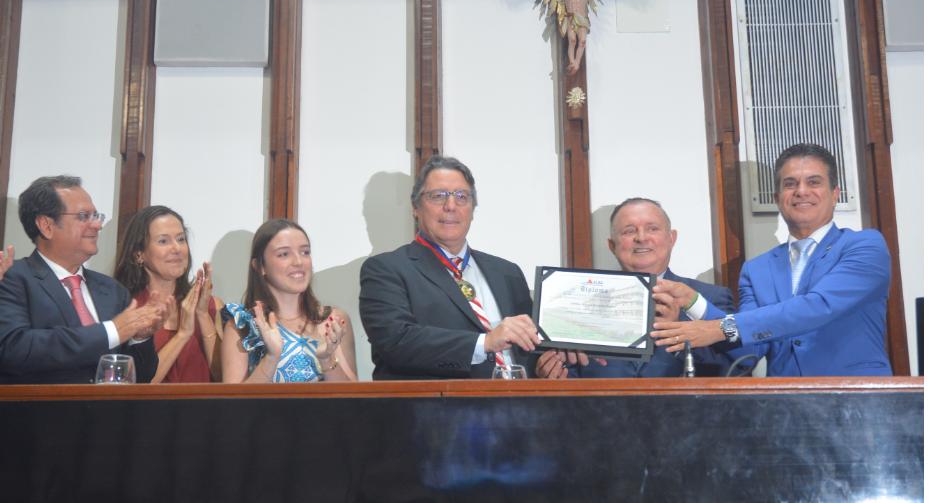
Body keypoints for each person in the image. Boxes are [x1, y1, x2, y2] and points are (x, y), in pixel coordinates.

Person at [651, 143, 893, 376]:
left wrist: (719, 327)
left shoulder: (865, 246)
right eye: (790, 184)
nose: (801, 191)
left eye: (814, 182)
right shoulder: (757, 269)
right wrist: (696, 304)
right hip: (783, 400)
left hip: (857, 394)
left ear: (835, 194)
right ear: (778, 197)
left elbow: (818, 306)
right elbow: (749, 351)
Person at [359, 155, 541, 380]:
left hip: (522, 399)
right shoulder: (385, 270)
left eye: (462, 197)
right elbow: (396, 341)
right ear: (415, 208)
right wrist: (485, 342)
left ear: (472, 209)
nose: (451, 206)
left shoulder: (507, 272)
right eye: (438, 196)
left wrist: (546, 363)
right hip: (438, 401)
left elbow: (529, 347)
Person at [535, 198, 735, 379]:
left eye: (652, 229)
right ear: (612, 246)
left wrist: (677, 334)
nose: (641, 238)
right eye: (629, 231)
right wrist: (555, 373)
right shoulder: (579, 300)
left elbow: (732, 369)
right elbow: (570, 375)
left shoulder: (710, 298)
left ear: (671, 238)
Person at [0, 175, 168, 384]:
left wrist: (139, 338)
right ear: (46, 225)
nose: (97, 225)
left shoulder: (112, 290)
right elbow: (14, 349)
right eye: (83, 216)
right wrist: (111, 331)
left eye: (96, 216)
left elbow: (141, 377)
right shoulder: (11, 278)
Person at [221, 219, 356, 383]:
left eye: (305, 252)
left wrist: (326, 359)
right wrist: (271, 358)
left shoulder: (332, 321)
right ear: (259, 266)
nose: (299, 262)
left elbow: (353, 395)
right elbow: (235, 398)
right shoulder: (243, 325)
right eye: (284, 254)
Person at [114, 206, 223, 383]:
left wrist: (202, 315)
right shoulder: (125, 308)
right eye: (163, 241)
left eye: (181, 239)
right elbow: (136, 384)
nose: (177, 248)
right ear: (139, 254)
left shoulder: (213, 306)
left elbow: (224, 379)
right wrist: (183, 334)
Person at [546, 0, 600, 75]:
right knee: (572, 40)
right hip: (570, 17)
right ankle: (572, 62)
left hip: (582, 18)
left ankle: (576, 62)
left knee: (582, 41)